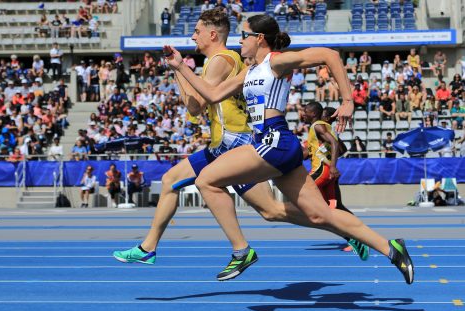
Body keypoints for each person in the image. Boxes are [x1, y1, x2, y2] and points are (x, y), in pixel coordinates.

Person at [113, 9, 368, 279]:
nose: (193, 36)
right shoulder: (223, 60)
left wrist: (180, 70)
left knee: (271, 211)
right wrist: (178, 69)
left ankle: (345, 230)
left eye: (197, 31)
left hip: (236, 142)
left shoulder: (219, 60)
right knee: (170, 180)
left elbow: (198, 104)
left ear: (212, 34)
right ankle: (149, 247)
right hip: (221, 145)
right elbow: (198, 102)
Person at [163, 13, 414, 284]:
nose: (239, 41)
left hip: (274, 140)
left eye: (243, 35)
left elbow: (329, 55)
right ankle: (391, 248)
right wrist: (180, 66)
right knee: (320, 215)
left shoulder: (277, 61)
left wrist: (347, 100)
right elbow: (211, 96)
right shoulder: (249, 71)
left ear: (259, 39)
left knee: (207, 180)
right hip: (273, 145)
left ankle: (241, 251)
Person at [303, 102, 367, 255]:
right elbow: (339, 147)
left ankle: (356, 235)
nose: (303, 114)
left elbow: (334, 144)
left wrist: (332, 166)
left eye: (305, 111)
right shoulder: (325, 130)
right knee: (335, 209)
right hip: (329, 174)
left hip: (322, 171)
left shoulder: (318, 126)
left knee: (298, 195)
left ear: (314, 114)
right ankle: (358, 236)